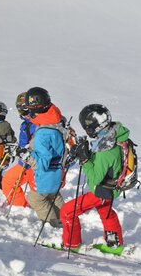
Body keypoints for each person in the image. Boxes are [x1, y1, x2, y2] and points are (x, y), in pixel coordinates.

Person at [60, 104, 127, 253]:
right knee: (106, 212)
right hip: (111, 187)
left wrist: (85, 160)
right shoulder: (112, 135)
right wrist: (88, 153)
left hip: (102, 189)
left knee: (67, 211)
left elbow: (96, 177)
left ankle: (71, 244)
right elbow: (104, 164)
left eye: (87, 126)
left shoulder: (106, 151)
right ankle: (114, 246)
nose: (87, 129)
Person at [25, 87, 65, 228]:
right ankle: (66, 218)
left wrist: (27, 156)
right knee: (53, 195)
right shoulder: (56, 121)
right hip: (58, 169)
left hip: (47, 172)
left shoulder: (42, 133)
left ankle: (52, 224)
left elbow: (42, 162)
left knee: (35, 198)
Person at [1, 92, 36, 207]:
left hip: (33, 163)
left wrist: (22, 152)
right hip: (25, 162)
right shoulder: (27, 123)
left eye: (22, 107)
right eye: (19, 107)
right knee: (8, 181)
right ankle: (21, 206)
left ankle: (22, 208)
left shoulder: (36, 123)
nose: (21, 110)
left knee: (38, 192)